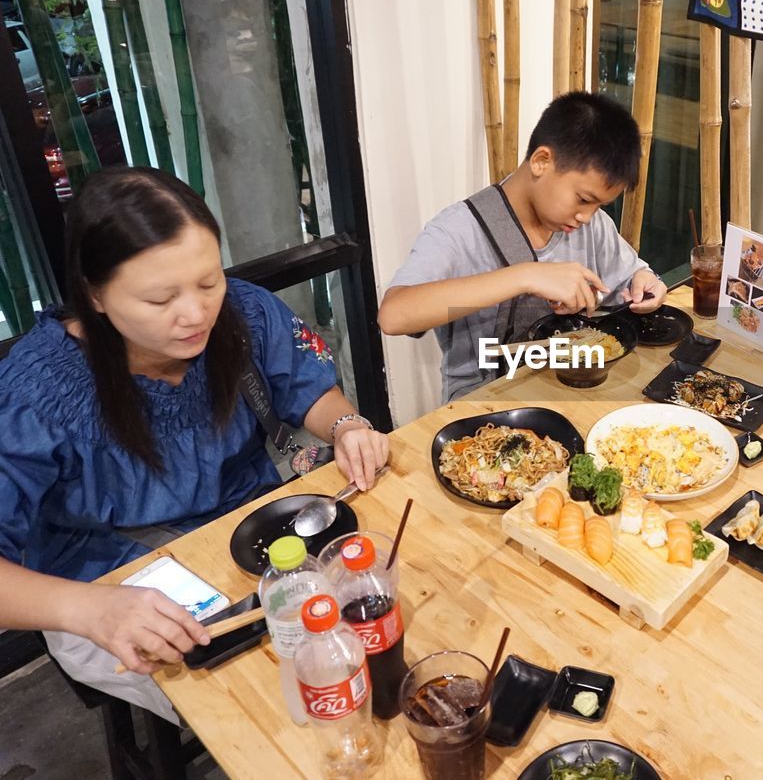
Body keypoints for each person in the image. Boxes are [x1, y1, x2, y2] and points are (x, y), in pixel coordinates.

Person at [0, 167, 390, 722]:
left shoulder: (244, 313)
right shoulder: (35, 395)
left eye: (208, 282)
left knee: (374, 628)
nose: (197, 313)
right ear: (96, 296)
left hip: (255, 541)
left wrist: (348, 425)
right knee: (280, 709)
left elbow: (307, 390)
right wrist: (86, 609)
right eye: (161, 299)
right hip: (112, 589)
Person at [379, 91, 667, 401]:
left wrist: (644, 282)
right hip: (487, 404)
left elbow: (629, 277)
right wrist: (526, 276)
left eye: (599, 205)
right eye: (583, 199)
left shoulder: (587, 222)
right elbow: (394, 315)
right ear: (542, 161)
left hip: (573, 388)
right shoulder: (459, 230)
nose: (587, 216)